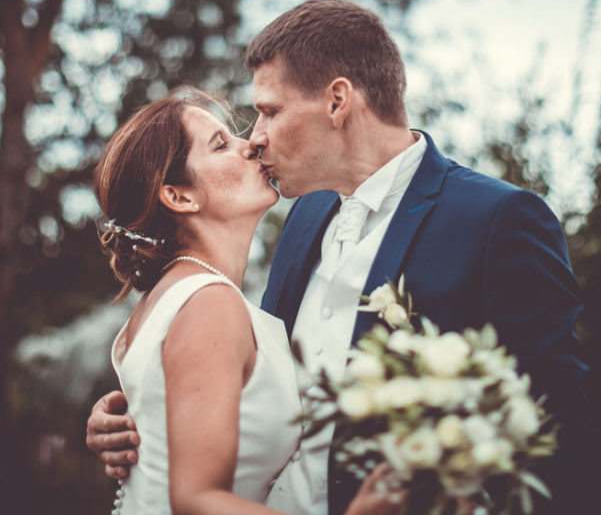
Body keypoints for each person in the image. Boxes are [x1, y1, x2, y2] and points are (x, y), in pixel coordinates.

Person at [87, 0, 589, 514]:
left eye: (269, 111)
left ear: (337, 101)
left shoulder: (497, 219)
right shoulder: (303, 220)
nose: (255, 138)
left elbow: (556, 420)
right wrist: (143, 416)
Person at [91, 90, 405, 515]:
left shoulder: (175, 296)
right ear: (180, 197)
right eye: (221, 145)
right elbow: (197, 501)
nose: (252, 144)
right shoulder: (208, 303)